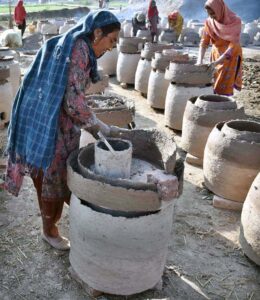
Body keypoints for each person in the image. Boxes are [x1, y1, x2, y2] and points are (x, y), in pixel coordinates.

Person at [5, 11, 122, 251]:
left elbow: (72, 94)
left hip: (45, 112)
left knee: (59, 173)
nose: (112, 47)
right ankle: (49, 230)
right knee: (52, 174)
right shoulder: (79, 49)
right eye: (112, 40)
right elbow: (73, 103)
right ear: (97, 32)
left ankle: (77, 221)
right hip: (47, 119)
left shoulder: (78, 45)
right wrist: (101, 127)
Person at [197, 0, 242, 96]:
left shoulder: (235, 21)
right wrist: (199, 60)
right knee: (213, 83)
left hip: (230, 55)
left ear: (220, 10)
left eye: (213, 13)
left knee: (224, 86)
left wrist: (218, 62)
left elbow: (234, 44)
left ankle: (222, 106)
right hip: (216, 54)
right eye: (209, 14)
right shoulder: (209, 22)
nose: (211, 16)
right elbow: (204, 42)